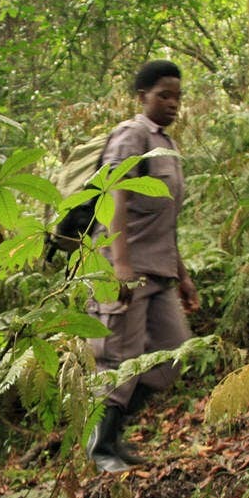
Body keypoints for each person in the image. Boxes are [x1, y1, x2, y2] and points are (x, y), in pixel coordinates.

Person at [85, 59, 199, 473]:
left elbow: (165, 220)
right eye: (162, 95)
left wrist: (183, 278)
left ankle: (114, 435)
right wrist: (120, 265)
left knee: (169, 357)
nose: (172, 104)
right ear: (141, 98)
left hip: (159, 269)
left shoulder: (167, 146)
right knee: (119, 358)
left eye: (177, 97)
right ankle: (100, 449)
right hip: (123, 267)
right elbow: (113, 195)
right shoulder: (131, 135)